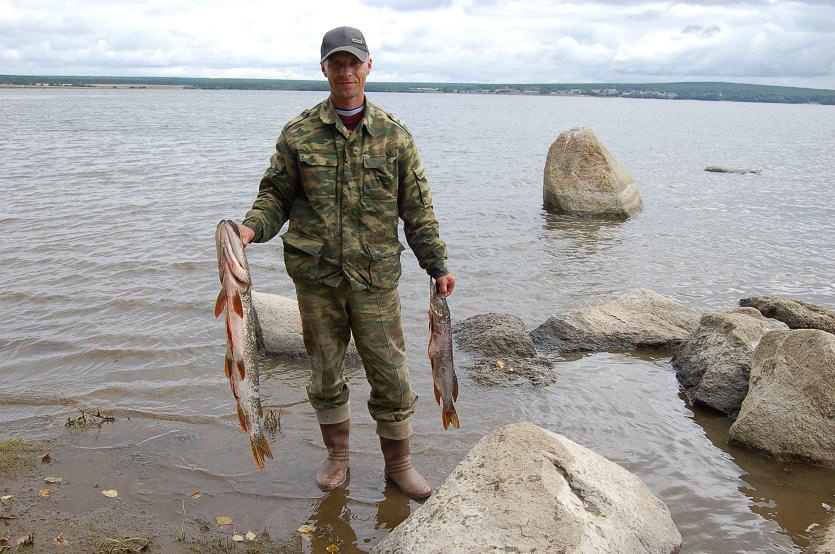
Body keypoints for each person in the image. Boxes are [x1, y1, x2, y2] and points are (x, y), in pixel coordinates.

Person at [238, 26, 455, 500]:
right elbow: (274, 195)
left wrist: (436, 265)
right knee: (325, 371)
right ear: (324, 70)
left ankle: (399, 466)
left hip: (375, 279)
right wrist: (251, 228)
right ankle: (337, 457)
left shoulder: (395, 137)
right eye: (337, 63)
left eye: (354, 62)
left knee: (392, 373)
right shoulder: (298, 135)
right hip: (317, 279)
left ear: (369, 67)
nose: (346, 71)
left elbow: (417, 209)